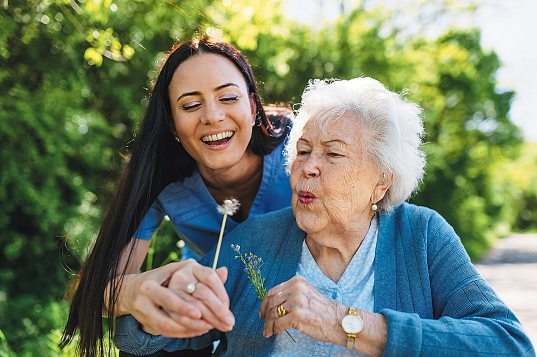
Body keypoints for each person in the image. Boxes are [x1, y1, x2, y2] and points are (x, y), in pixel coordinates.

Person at [114, 77, 535, 356]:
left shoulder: (421, 236)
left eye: (333, 153)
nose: (308, 167)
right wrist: (160, 302)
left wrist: (347, 324)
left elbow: (509, 345)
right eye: (302, 151)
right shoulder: (254, 240)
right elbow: (140, 338)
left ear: (381, 182)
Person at [60, 37, 293, 357]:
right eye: (190, 105)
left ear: (253, 107)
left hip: (303, 307)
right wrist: (134, 291)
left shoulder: (303, 147)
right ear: (171, 124)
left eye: (227, 97)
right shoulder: (160, 177)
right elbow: (93, 288)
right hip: (211, 312)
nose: (212, 116)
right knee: (137, 333)